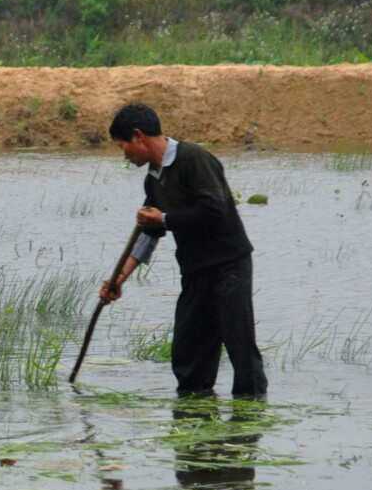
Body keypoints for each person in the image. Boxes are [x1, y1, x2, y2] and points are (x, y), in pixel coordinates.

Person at [100, 103, 267, 398]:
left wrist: (164, 218)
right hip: (195, 270)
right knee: (189, 352)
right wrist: (118, 279)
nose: (124, 153)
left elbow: (215, 210)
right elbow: (150, 234)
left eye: (122, 144)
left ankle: (249, 415)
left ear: (139, 136)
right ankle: (194, 412)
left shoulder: (193, 159)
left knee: (239, 344)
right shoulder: (153, 177)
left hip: (229, 265)